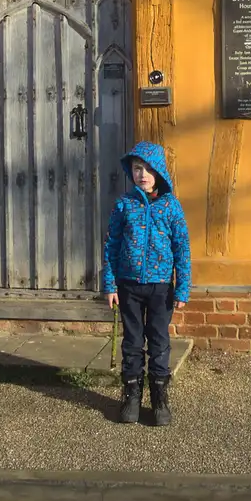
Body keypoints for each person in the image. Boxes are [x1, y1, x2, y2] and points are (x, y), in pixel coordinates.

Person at [102, 141, 191, 426]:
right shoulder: (124, 205)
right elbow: (111, 245)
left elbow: (182, 248)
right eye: (137, 168)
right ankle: (131, 396)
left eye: (149, 169)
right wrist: (110, 284)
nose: (142, 174)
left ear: (159, 172)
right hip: (129, 286)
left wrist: (183, 286)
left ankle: (160, 398)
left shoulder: (171, 206)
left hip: (161, 288)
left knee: (159, 342)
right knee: (132, 341)